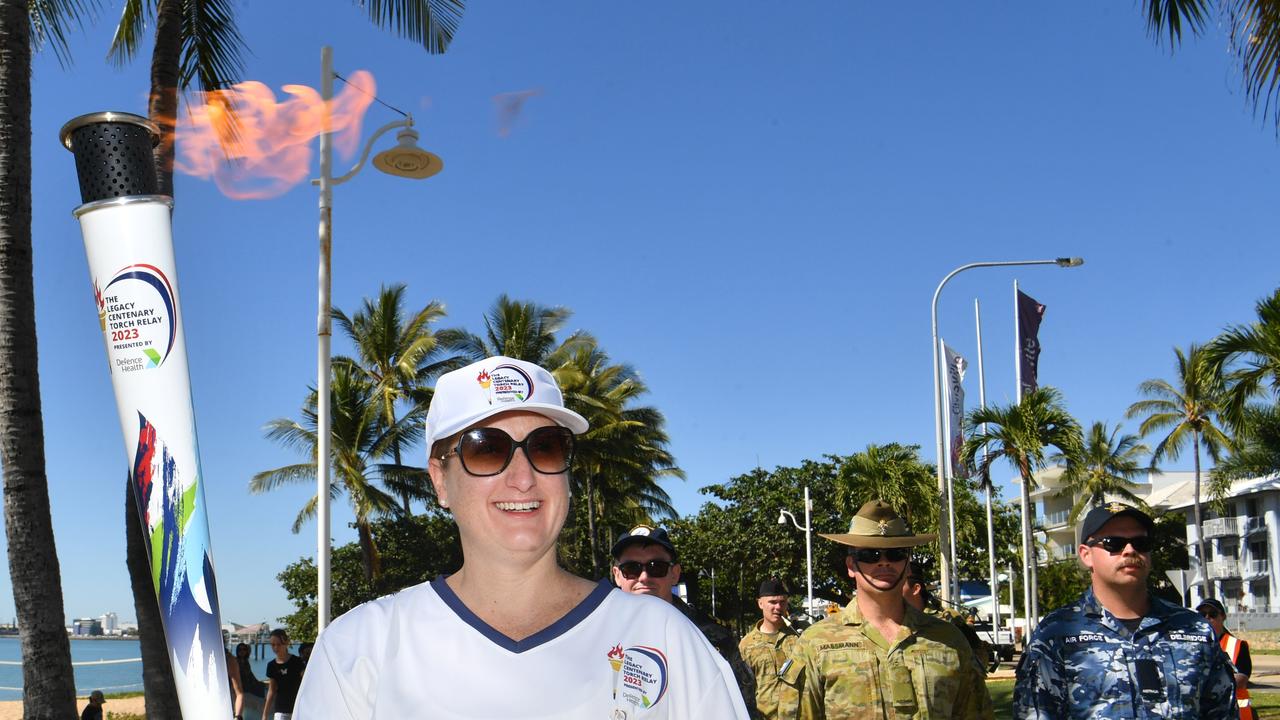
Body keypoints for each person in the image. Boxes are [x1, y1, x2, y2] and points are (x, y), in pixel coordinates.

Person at [294, 356, 749, 718]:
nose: (523, 478)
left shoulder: (663, 635)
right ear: (439, 479)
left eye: (545, 446)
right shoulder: (360, 646)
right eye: (486, 449)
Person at [1013, 502, 1237, 719]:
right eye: (1113, 543)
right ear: (1086, 554)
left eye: (1140, 543)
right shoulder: (1056, 634)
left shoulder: (1194, 630)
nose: (1130, 550)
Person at [794, 500, 993, 719]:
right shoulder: (815, 643)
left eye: (895, 554)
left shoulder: (949, 639)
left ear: (907, 564)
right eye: (871, 555)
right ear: (851, 566)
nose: (884, 563)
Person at [611, 524, 758, 715]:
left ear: (675, 574)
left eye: (657, 567)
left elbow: (740, 705)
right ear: (617, 575)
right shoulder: (599, 634)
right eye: (631, 569)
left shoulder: (711, 636)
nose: (644, 577)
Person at [902, 560, 991, 672]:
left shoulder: (948, 619)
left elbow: (978, 658)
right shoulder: (891, 620)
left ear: (916, 588)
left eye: (900, 583)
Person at [738, 578, 801, 720]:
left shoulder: (799, 636)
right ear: (760, 603)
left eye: (782, 602)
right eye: (772, 602)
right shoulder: (747, 645)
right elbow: (743, 690)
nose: (778, 607)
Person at [1198, 597, 1257, 720]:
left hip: (1234, 710)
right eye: (1203, 614)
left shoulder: (1237, 645)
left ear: (1223, 617)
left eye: (1213, 614)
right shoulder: (1194, 644)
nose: (1207, 618)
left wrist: (1206, 684)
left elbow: (1242, 679)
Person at [263, 628, 305, 720]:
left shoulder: (297, 662)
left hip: (298, 709)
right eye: (273, 645)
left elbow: (306, 684)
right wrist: (265, 714)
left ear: (286, 643)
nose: (275, 648)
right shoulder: (271, 665)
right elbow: (271, 690)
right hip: (281, 710)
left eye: (279, 644)